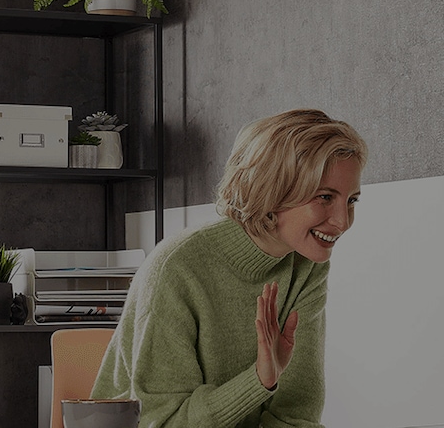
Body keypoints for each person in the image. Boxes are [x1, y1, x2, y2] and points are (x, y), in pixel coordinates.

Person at [91, 108, 367, 428]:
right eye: (325, 197)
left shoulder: (306, 266)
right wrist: (259, 381)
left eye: (352, 200)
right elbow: (162, 422)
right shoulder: (178, 268)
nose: (342, 222)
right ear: (273, 189)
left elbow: (295, 413)